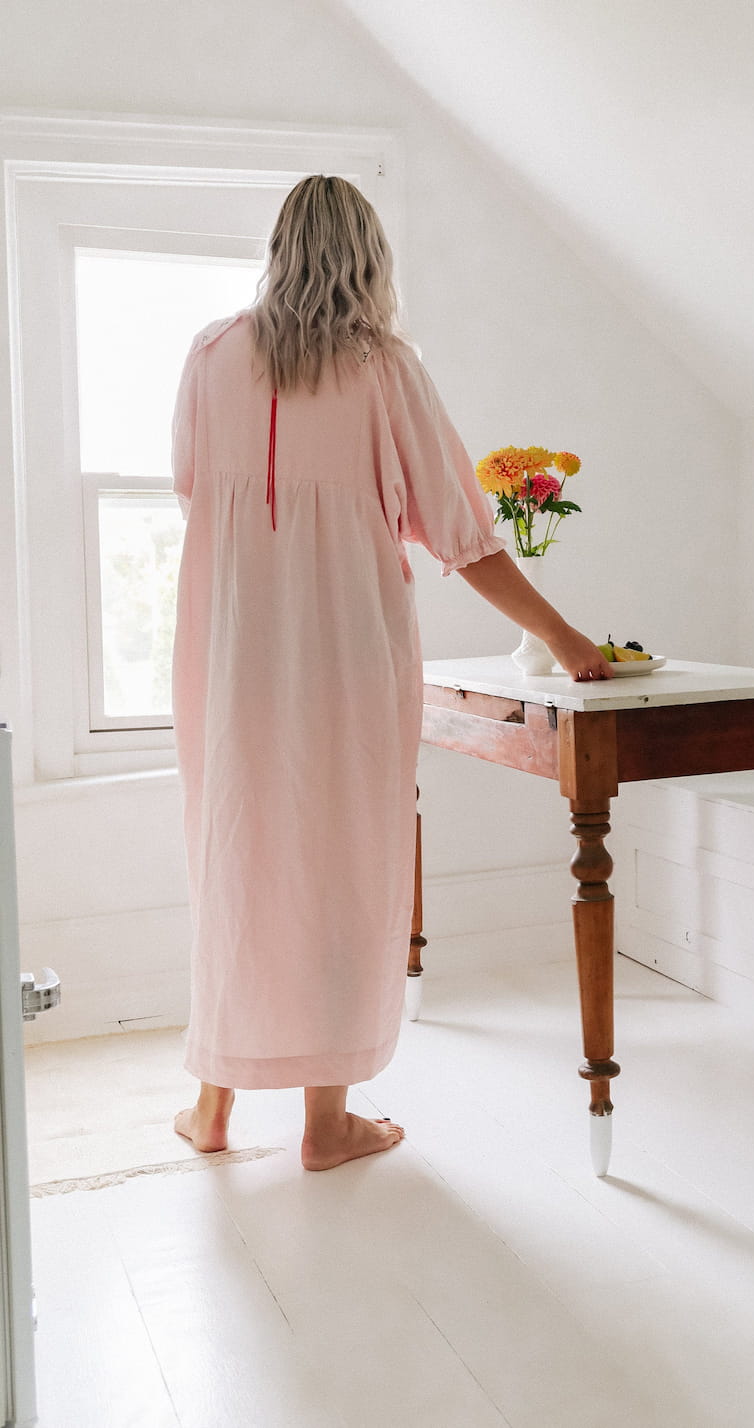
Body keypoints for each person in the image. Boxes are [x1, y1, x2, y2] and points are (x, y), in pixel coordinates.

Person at [171, 174, 611, 1171]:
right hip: (345, 661)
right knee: (339, 867)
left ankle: (213, 1108)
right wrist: (573, 642)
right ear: (369, 258)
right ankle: (326, 1125)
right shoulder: (385, 372)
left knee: (237, 856)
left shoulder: (208, 357)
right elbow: (464, 538)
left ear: (279, 249)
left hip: (232, 655)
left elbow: (197, 490)